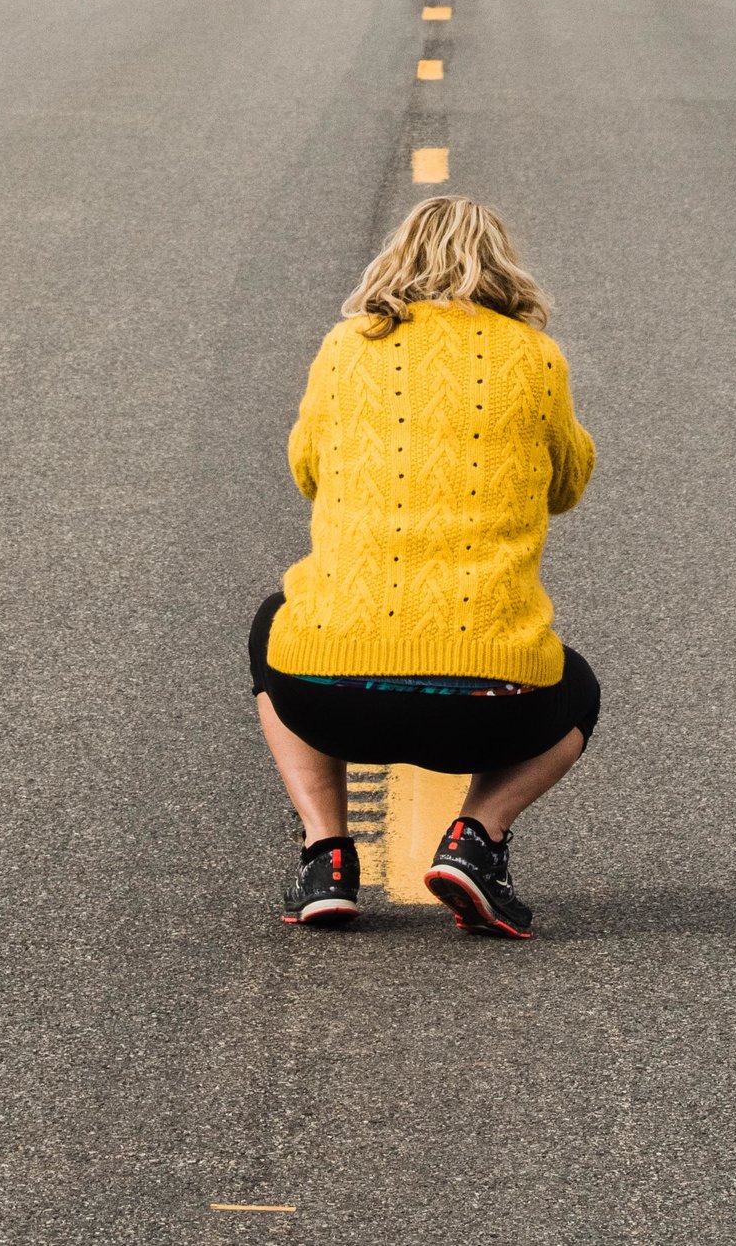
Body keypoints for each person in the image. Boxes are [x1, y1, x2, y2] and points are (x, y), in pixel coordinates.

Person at [249, 194, 598, 940]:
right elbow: (568, 486)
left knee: (274, 627)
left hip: (330, 697)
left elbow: (306, 470)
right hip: (491, 708)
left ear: (397, 258)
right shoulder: (535, 357)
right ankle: (477, 838)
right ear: (501, 267)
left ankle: (326, 855)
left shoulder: (348, 347)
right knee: (579, 689)